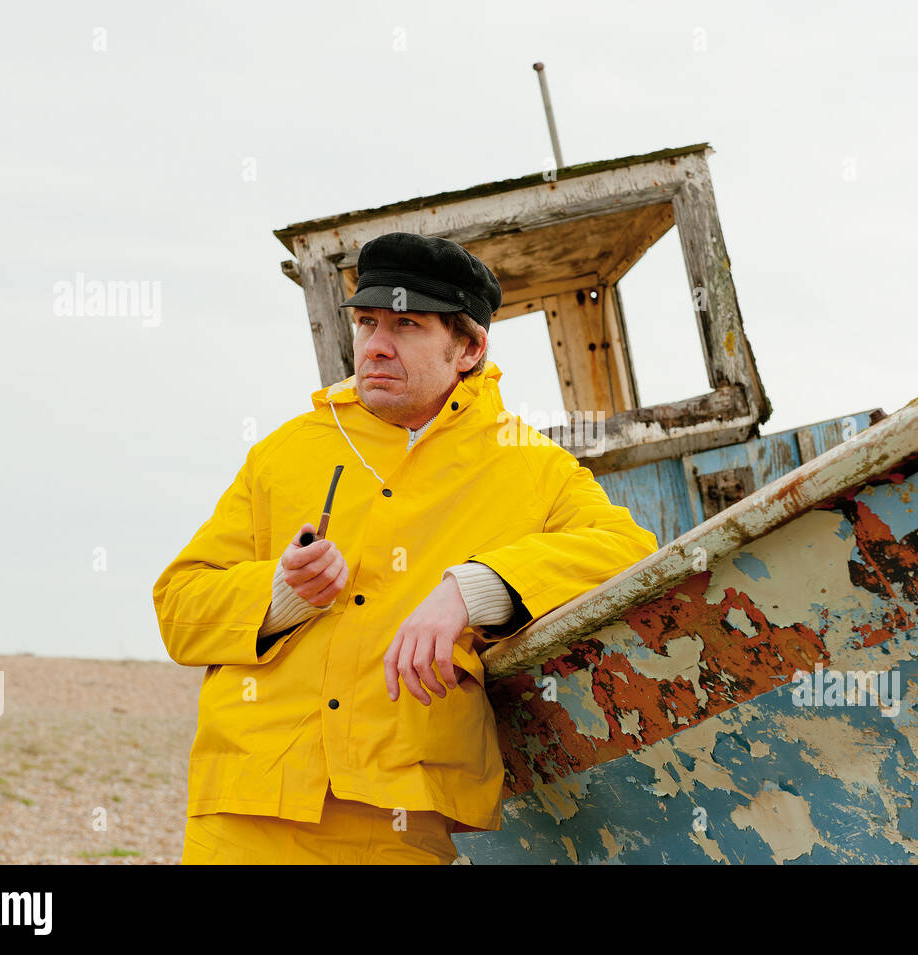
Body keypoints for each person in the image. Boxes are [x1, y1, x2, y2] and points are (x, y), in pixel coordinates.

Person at [152, 231, 658, 864]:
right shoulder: (283, 453)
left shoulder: (530, 464)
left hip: (400, 821)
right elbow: (178, 607)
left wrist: (471, 591)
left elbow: (629, 550)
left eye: (407, 325)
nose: (377, 346)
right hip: (249, 807)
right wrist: (282, 596)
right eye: (366, 322)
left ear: (468, 348)